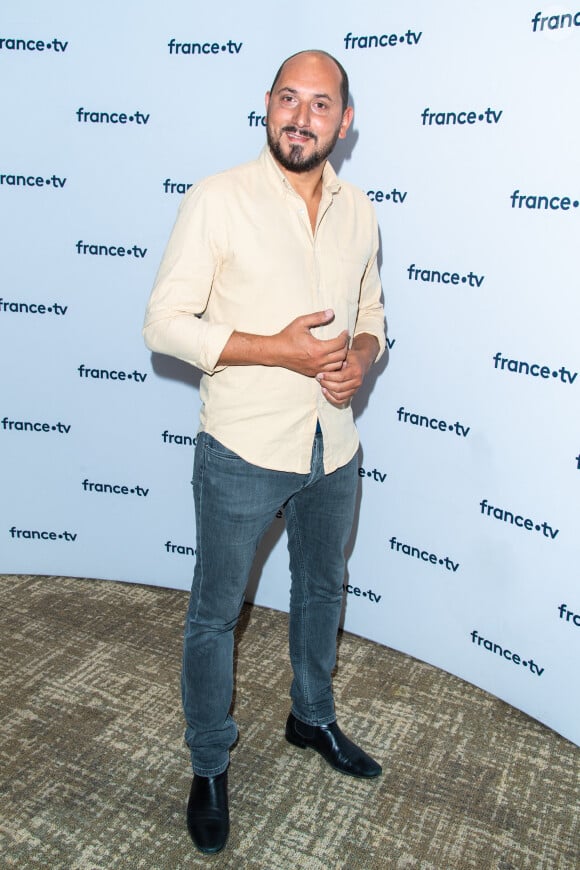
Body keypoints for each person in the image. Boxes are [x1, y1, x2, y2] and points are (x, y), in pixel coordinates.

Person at [143, 49, 386, 854]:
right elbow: (165, 325)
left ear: (343, 122)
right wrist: (272, 351)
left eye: (321, 105)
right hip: (244, 446)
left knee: (322, 590)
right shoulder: (218, 199)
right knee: (216, 615)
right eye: (289, 98)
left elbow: (372, 311)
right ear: (267, 105)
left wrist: (361, 353)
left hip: (334, 446)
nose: (301, 116)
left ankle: (311, 717)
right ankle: (209, 763)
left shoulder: (360, 210)